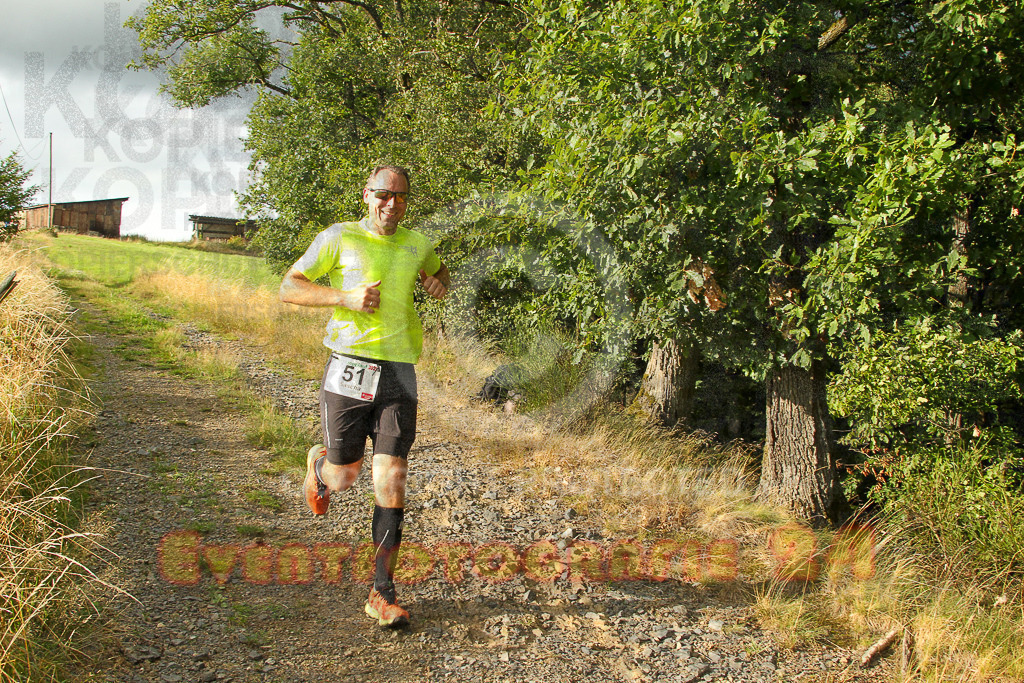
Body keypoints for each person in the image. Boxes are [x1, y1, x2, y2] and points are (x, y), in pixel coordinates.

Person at [279, 165, 449, 628]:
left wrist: (438, 283)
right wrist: (344, 298)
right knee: (345, 477)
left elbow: (440, 276)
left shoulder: (418, 244)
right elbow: (288, 286)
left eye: (400, 197)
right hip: (350, 366)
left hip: (399, 370)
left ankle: (382, 592)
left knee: (392, 475)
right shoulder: (338, 237)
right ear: (366, 195)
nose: (391, 204)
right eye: (383, 195)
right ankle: (319, 467)